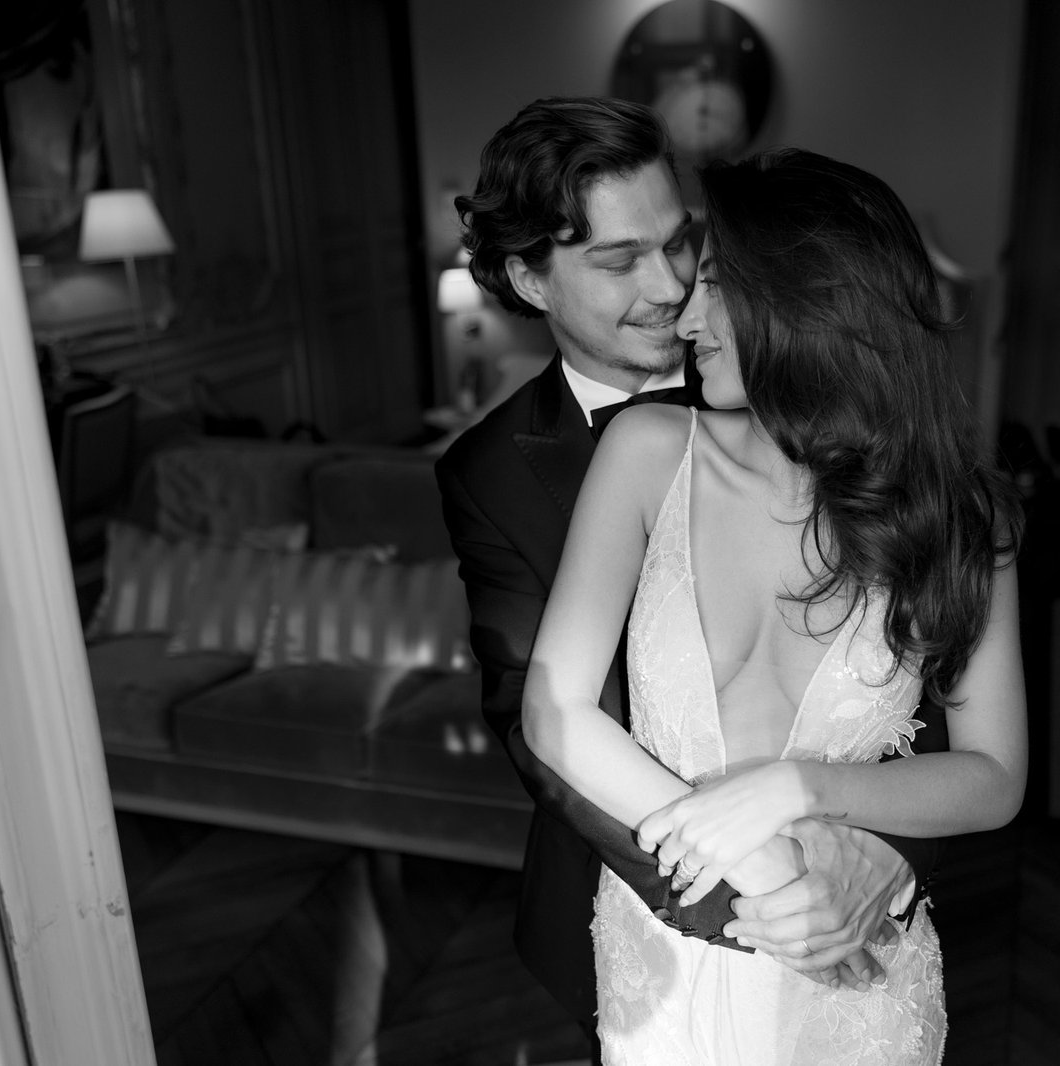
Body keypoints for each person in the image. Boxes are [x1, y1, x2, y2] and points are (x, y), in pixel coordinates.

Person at [434, 99, 943, 1052]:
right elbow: (536, 721)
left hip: (852, 891)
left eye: (681, 246)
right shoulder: (489, 473)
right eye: (620, 261)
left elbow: (920, 683)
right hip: (645, 913)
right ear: (529, 281)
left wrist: (878, 860)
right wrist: (767, 894)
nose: (672, 288)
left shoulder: (811, 391)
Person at [521, 147, 1027, 1063]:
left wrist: (800, 791)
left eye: (716, 285)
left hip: (853, 972)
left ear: (810, 304)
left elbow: (995, 774)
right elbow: (554, 711)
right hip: (668, 961)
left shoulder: (960, 515)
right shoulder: (646, 451)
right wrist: (762, 862)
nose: (687, 316)